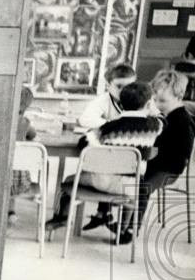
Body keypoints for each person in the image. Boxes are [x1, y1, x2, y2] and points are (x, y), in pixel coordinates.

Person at [44, 81, 162, 235]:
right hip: (132, 186)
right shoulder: (154, 127)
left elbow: (84, 143)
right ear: (148, 104)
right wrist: (153, 109)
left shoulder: (109, 127)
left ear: (121, 103)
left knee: (67, 182)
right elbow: (162, 119)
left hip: (101, 182)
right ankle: (123, 229)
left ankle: (62, 217)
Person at [112, 69, 195, 244]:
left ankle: (132, 228)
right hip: (155, 162)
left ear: (179, 97)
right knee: (127, 178)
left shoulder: (181, 119)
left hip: (170, 168)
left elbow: (180, 155)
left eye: (163, 101)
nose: (159, 104)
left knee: (142, 186)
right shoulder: (162, 116)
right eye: (156, 100)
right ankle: (120, 222)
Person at [9, 86, 39, 227]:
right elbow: (32, 135)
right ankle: (11, 212)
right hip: (22, 183)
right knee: (16, 169)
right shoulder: (25, 122)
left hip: (0, 178)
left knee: (9, 170)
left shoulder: (4, 119)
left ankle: (9, 211)